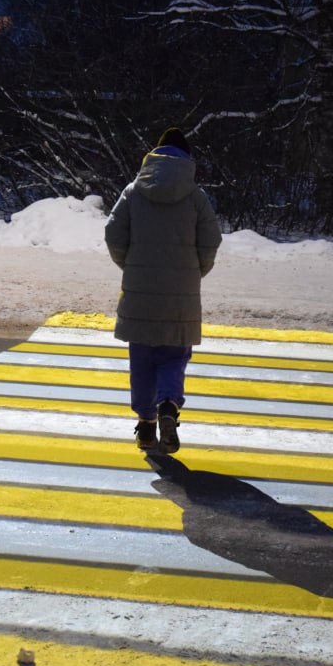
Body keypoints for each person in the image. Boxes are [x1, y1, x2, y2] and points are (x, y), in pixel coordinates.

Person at [105, 127, 222, 453]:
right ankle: (168, 405)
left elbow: (113, 233)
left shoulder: (133, 192)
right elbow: (211, 241)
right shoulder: (196, 196)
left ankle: (145, 428)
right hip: (180, 293)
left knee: (141, 359)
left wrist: (130, 264)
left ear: (154, 155)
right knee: (174, 355)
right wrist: (196, 270)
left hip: (139, 291)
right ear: (187, 160)